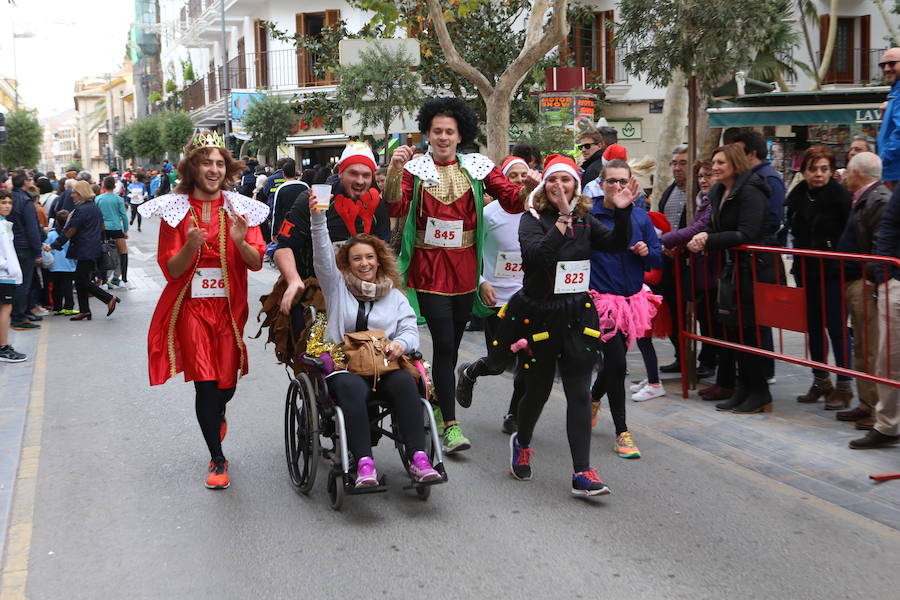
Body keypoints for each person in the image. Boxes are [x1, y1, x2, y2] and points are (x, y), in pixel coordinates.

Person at [384, 97, 537, 454]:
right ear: (427, 134)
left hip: (466, 272)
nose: (442, 137)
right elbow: (395, 204)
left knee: (450, 348)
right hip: (429, 269)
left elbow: (512, 200)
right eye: (436, 131)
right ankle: (451, 425)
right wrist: (393, 169)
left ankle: (438, 402)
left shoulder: (478, 167)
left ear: (459, 135)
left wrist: (530, 185)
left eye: (449, 131)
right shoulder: (415, 169)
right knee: (446, 344)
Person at [496, 154, 635, 495]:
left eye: (567, 180)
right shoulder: (531, 219)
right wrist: (562, 217)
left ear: (576, 185)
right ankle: (522, 442)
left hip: (578, 315)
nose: (560, 186)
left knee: (579, 392)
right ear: (545, 186)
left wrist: (623, 211)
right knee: (539, 389)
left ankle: (582, 472)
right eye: (554, 180)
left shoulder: (586, 220)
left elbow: (617, 244)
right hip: (540, 315)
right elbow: (538, 256)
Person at [138, 130, 267, 489]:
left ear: (226, 168)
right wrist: (190, 246)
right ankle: (217, 458)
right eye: (205, 162)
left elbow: (256, 262)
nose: (213, 169)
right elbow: (171, 270)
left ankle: (218, 412)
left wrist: (241, 243)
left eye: (219, 163)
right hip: (192, 309)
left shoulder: (241, 208)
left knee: (225, 384)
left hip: (229, 309)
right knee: (206, 385)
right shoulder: (176, 210)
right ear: (191, 167)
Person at [308, 192, 442, 487]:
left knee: (407, 384)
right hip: (346, 365)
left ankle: (419, 458)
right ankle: (364, 464)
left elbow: (409, 329)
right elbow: (321, 252)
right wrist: (318, 216)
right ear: (347, 263)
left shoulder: (394, 295)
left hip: (384, 362)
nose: (364, 263)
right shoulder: (337, 287)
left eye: (369, 257)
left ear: (379, 260)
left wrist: (400, 345)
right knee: (352, 389)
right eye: (357, 258)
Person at [687, 144, 776, 414]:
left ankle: (759, 392)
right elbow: (715, 226)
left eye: (720, 162)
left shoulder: (751, 190)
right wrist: (704, 237)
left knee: (749, 333)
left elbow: (747, 233)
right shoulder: (718, 191)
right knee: (736, 332)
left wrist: (708, 240)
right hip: (732, 270)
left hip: (753, 271)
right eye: (714, 162)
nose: (715, 167)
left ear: (735, 163)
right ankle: (744, 389)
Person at [587, 159, 663, 459]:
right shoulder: (590, 214)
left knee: (614, 364)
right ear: (601, 184)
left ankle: (593, 398)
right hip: (600, 302)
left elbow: (657, 260)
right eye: (611, 181)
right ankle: (622, 431)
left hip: (633, 303)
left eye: (622, 181)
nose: (617, 186)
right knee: (617, 364)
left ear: (631, 184)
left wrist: (646, 253)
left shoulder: (642, 218)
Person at [455, 156, 531, 435]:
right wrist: (481, 281)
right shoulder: (489, 214)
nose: (521, 181)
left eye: (525, 175)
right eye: (514, 176)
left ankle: (514, 414)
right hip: (497, 300)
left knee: (528, 361)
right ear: (503, 182)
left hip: (529, 299)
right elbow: (469, 252)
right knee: (499, 364)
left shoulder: (534, 212)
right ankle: (470, 372)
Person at [275, 143, 390, 315]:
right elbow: (283, 246)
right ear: (341, 172)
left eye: (366, 175)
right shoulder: (313, 199)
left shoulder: (376, 203)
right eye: (353, 173)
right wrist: (293, 280)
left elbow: (384, 253)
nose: (360, 181)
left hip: (361, 296)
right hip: (315, 295)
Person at [662, 159, 735, 402]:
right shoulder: (703, 201)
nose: (704, 180)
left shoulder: (716, 202)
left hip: (717, 272)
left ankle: (721, 374)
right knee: (707, 321)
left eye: (710, 175)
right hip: (702, 272)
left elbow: (698, 228)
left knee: (718, 326)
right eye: (702, 176)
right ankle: (710, 365)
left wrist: (664, 240)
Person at [786, 146, 853, 410]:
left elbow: (849, 235)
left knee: (837, 329)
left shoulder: (840, 197)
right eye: (813, 169)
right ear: (803, 171)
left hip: (833, 272)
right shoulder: (799, 195)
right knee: (813, 329)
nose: (818, 174)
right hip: (807, 271)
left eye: (824, 169)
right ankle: (820, 380)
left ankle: (845, 385)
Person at [835, 152, 890, 431]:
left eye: (848, 170)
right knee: (862, 345)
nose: (843, 175)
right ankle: (866, 402)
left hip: (866, 282)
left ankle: (876, 407)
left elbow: (880, 245)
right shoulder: (865, 198)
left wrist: (871, 278)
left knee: (870, 347)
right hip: (858, 280)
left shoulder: (877, 200)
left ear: (857, 173)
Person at [49, 181, 120, 321]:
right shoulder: (94, 207)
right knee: (82, 279)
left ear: (80, 193)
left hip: (84, 248)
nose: (72, 195)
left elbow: (70, 230)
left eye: (74, 192)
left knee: (80, 279)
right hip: (92, 247)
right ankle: (85, 310)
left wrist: (54, 245)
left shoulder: (81, 210)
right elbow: (102, 227)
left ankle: (108, 299)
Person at [656, 145, 691, 374]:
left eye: (683, 163)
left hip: (691, 262)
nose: (677, 168)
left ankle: (701, 359)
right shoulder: (669, 191)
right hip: (668, 262)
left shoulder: (697, 192)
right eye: (674, 163)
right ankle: (682, 356)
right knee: (672, 310)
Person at [7, 171, 42, 331]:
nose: (32, 181)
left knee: (18, 282)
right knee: (23, 283)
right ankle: (19, 317)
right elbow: (32, 229)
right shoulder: (25, 200)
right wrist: (37, 251)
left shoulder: (11, 198)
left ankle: (23, 313)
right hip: (24, 246)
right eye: (29, 179)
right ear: (25, 183)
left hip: (12, 244)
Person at [0, 190, 27, 362]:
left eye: (9, 202)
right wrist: (7, 267)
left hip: (6, 272)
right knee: (6, 308)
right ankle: (3, 347)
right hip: (3, 274)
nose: (7, 205)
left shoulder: (4, 223)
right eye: (3, 202)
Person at [96, 176, 133, 290]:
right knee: (123, 253)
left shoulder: (98, 199)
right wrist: (125, 230)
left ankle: (103, 281)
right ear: (114, 186)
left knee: (104, 253)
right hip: (116, 228)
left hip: (103, 229)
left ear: (103, 185)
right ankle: (123, 279)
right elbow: (123, 216)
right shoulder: (118, 199)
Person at [45, 210, 77, 315]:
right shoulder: (71, 234)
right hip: (69, 265)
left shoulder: (51, 234)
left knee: (56, 287)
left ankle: (57, 307)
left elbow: (45, 247)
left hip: (54, 265)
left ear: (57, 222)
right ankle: (68, 307)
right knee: (68, 287)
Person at [269, 158, 308, 243]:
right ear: (295, 172)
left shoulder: (281, 189)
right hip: (304, 225)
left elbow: (276, 212)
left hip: (287, 226)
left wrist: (274, 232)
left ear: (283, 174)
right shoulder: (305, 186)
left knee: (288, 248)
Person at [877, 48, 900, 187]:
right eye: (883, 65)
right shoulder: (894, 95)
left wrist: (882, 160)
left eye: (891, 64)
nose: (886, 68)